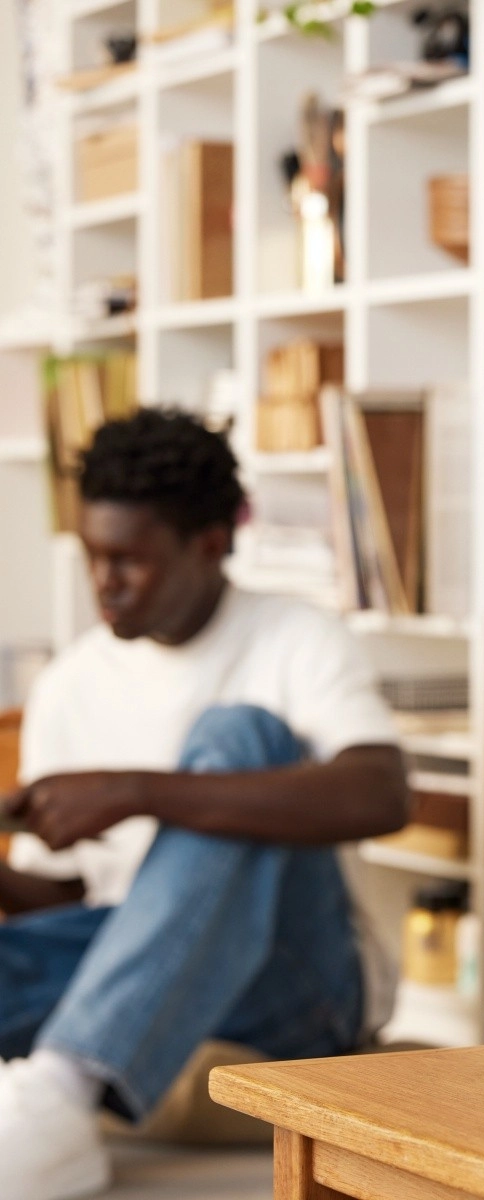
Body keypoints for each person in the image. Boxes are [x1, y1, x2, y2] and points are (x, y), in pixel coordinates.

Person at [0, 409, 409, 1200]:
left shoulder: (296, 637)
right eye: (92, 556)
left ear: (211, 543)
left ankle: (61, 1088)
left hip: (294, 982)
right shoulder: (68, 684)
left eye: (129, 560)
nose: (104, 583)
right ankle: (60, 1079)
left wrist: (135, 792)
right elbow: (65, 902)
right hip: (129, 966)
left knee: (240, 734)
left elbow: (383, 793)